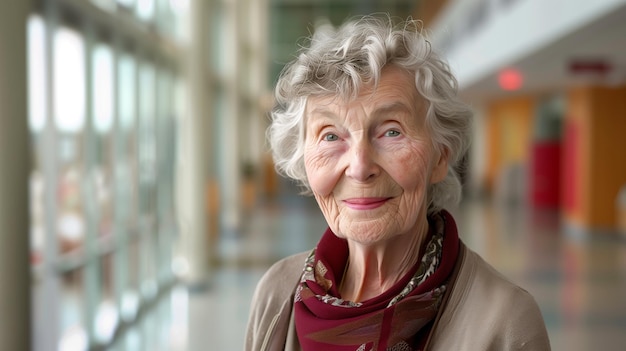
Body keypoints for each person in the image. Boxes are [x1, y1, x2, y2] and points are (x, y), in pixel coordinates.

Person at [245, 15, 550, 351]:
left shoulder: (506, 323)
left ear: (440, 157)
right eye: (331, 135)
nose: (360, 168)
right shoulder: (277, 293)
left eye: (392, 131)